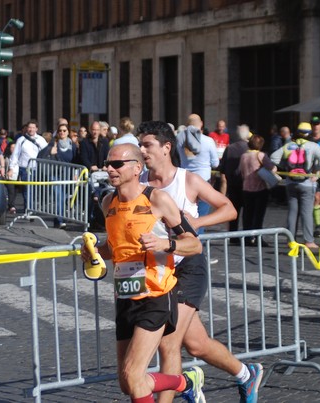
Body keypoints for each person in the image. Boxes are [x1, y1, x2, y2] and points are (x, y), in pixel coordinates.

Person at [137, 121, 263, 403]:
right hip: (158, 269)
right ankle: (246, 374)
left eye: (147, 145)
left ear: (166, 147)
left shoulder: (187, 180)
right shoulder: (140, 182)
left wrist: (197, 221)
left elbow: (229, 209)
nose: (142, 150)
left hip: (188, 266)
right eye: (140, 145)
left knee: (169, 341)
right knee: (196, 345)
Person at [80, 143, 205, 403]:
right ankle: (185, 382)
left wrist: (165, 244)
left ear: (137, 168)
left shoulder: (156, 198)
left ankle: (184, 382)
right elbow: (114, 248)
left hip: (156, 296)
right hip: (126, 295)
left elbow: (194, 244)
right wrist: (94, 252)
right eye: (107, 163)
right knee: (127, 383)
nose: (109, 169)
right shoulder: (108, 202)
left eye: (117, 164)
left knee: (134, 374)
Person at [270, 122, 320, 249]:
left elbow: (273, 158)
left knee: (292, 212)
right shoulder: (313, 146)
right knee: (306, 213)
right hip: (307, 182)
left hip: (290, 182)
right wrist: (316, 171)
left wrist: (284, 166)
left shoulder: (289, 145)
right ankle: (308, 241)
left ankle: (291, 240)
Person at [176, 114, 220, 233]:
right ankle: (198, 242)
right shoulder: (208, 140)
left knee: (186, 212)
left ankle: (187, 239)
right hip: (203, 179)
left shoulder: (179, 138)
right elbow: (215, 163)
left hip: (185, 178)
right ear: (201, 124)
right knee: (201, 214)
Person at [238, 134, 277, 246]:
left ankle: (246, 237)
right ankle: (258, 238)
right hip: (259, 188)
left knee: (247, 214)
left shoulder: (243, 156)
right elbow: (273, 168)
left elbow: (241, 171)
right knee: (258, 215)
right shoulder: (260, 155)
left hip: (246, 188)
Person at [38, 122, 76, 228]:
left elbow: (76, 160)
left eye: (64, 131)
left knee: (64, 197)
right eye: (60, 131)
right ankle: (60, 220)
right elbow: (40, 156)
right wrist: (50, 151)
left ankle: (58, 219)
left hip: (67, 174)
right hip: (54, 174)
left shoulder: (72, 145)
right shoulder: (53, 143)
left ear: (68, 132)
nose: (62, 132)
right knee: (59, 196)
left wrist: (76, 173)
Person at [7, 119, 48, 214]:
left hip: (37, 169)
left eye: (33, 127)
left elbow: (46, 152)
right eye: (29, 127)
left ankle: (33, 207)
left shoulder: (41, 140)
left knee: (35, 190)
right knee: (27, 190)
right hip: (25, 168)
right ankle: (28, 209)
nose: (31, 129)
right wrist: (11, 168)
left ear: (36, 129)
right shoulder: (21, 140)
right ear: (27, 128)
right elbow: (15, 155)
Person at [219, 124, 252, 237]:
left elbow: (222, 168)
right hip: (248, 184)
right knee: (247, 211)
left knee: (234, 211)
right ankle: (247, 235)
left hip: (233, 183)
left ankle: (233, 235)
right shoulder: (250, 148)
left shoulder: (230, 148)